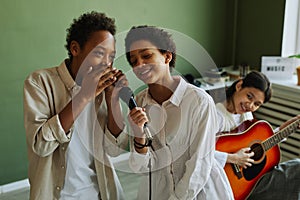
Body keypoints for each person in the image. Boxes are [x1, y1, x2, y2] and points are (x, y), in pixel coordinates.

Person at [23, 11, 128, 200]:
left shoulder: (104, 90)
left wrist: (112, 98)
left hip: (100, 194)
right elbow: (41, 145)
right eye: (99, 53)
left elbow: (115, 149)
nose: (106, 63)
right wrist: (84, 95)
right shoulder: (39, 82)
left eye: (111, 56)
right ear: (75, 48)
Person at [124, 25, 234, 200]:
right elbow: (140, 167)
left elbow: (199, 165)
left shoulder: (199, 101)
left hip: (198, 192)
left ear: (167, 56)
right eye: (133, 60)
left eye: (146, 56)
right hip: (156, 191)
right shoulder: (139, 102)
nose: (139, 65)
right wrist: (139, 135)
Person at [215, 70, 300, 200]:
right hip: (222, 182)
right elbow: (200, 152)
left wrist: (285, 129)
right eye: (249, 96)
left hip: (249, 179)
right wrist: (233, 158)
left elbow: (258, 142)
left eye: (257, 104)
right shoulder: (215, 115)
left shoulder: (246, 115)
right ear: (239, 86)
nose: (250, 105)